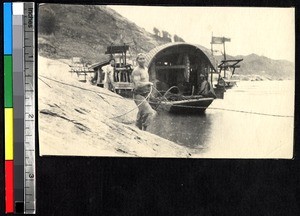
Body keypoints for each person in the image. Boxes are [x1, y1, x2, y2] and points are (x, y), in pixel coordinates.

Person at [132, 53, 156, 131]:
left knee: (142, 112)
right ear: (137, 60)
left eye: (143, 58)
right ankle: (144, 129)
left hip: (146, 93)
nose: (142, 60)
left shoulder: (146, 69)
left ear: (145, 59)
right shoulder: (136, 71)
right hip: (138, 95)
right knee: (150, 112)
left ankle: (138, 128)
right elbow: (138, 84)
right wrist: (148, 83)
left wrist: (148, 86)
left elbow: (145, 80)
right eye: (140, 59)